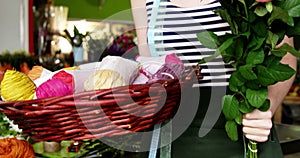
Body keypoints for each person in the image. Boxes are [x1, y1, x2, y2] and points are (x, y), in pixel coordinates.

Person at [130, 0, 297, 157]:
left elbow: (284, 56)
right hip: (168, 138)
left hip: (241, 129)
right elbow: (148, 66)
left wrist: (267, 107)